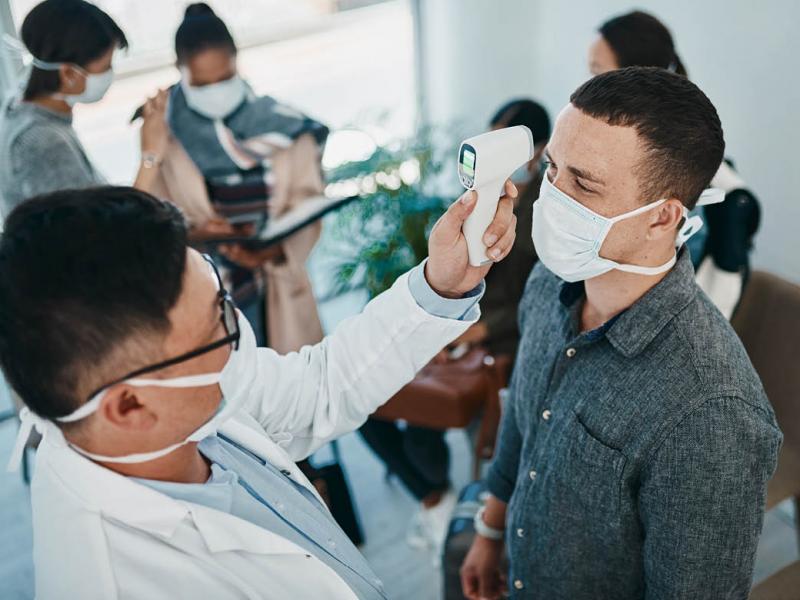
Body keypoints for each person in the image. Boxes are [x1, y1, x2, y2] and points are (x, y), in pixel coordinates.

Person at [0, 179, 517, 599]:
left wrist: (442, 285)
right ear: (130, 405)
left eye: (222, 301)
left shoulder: (176, 407)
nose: (239, 335)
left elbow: (322, 387)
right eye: (218, 325)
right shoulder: (126, 580)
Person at [459, 67, 781, 600]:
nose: (552, 197)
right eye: (552, 169)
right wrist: (492, 530)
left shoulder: (710, 415)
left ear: (663, 217)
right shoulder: (548, 282)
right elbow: (525, 415)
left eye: (583, 184)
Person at [358, 99, 550, 552]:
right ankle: (434, 497)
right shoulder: (479, 199)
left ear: (535, 150)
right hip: (461, 322)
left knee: (421, 415)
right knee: (370, 407)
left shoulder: (545, 212)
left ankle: (439, 499)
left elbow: (539, 298)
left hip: (502, 340)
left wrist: (477, 332)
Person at [161, 3, 329, 347]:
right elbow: (157, 219)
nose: (216, 91)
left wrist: (267, 253)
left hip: (275, 287)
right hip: (207, 292)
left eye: (224, 78)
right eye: (202, 84)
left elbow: (308, 204)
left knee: (288, 384)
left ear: (237, 61)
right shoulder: (166, 137)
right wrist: (199, 232)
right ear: (180, 71)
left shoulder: (284, 126)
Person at [588, 10, 761, 319]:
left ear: (633, 79)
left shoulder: (698, 182)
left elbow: (707, 310)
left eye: (598, 73)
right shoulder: (617, 154)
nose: (590, 88)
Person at [0, 0, 169, 215]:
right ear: (68, 73)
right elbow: (103, 235)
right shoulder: (43, 142)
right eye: (105, 66)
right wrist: (151, 154)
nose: (110, 74)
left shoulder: (23, 99)